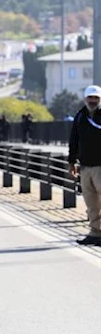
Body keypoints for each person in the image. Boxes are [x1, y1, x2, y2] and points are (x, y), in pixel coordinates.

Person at [69, 85, 101, 246]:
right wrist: (71, 161)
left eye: (96, 98)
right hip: (85, 166)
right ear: (85, 99)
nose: (93, 101)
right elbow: (73, 139)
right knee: (91, 202)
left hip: (100, 166)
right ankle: (95, 232)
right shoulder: (80, 116)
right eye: (90, 98)